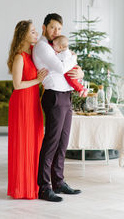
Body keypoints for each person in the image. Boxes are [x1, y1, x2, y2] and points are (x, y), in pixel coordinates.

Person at [32, 13, 84, 202]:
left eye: (60, 29)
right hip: (54, 96)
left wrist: (79, 69)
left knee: (63, 143)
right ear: (44, 27)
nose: (56, 32)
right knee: (51, 143)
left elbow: (70, 70)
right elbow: (62, 69)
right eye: (53, 27)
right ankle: (44, 188)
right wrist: (73, 56)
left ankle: (58, 182)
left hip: (66, 96)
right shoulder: (42, 47)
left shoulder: (57, 48)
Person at [7, 20, 48, 199]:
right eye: (32, 32)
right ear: (23, 34)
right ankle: (22, 188)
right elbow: (17, 85)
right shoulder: (19, 57)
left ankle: (34, 186)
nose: (36, 34)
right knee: (23, 144)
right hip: (21, 104)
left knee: (35, 143)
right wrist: (38, 81)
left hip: (33, 102)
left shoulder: (32, 53)